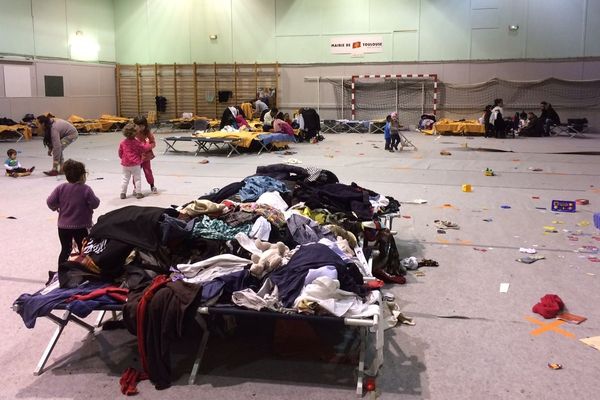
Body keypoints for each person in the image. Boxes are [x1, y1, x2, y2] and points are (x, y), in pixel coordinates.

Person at [46, 159, 100, 266]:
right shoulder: (85, 189)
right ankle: (83, 270)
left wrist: (57, 206)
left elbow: (50, 202)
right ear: (82, 176)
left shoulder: (61, 188)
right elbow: (95, 204)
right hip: (81, 226)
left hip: (63, 227)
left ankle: (62, 270)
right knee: (84, 250)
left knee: (65, 249)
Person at [119, 123, 153, 199]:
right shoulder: (137, 143)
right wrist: (148, 143)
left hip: (125, 164)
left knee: (125, 179)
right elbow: (144, 149)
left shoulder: (122, 143)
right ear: (135, 133)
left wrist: (124, 159)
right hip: (135, 164)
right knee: (137, 178)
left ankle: (123, 193)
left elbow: (120, 153)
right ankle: (138, 193)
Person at [133, 116, 157, 194]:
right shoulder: (133, 133)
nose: (140, 128)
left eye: (142, 126)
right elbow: (128, 143)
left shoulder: (148, 133)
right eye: (138, 126)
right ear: (135, 125)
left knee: (148, 171)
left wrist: (147, 147)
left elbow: (153, 143)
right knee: (136, 173)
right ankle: (135, 188)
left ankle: (152, 185)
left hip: (146, 157)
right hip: (136, 157)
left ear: (145, 125)